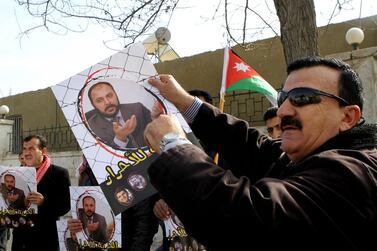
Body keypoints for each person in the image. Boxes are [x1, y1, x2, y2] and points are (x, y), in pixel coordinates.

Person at [144, 57, 377, 250]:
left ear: (348, 117)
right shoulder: (304, 154)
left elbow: (248, 220)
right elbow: (247, 144)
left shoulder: (354, 172)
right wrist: (185, 102)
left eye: (302, 98)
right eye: (283, 98)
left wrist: (173, 144)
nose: (284, 110)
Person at [68, 155, 158, 251]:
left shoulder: (131, 168)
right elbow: (80, 228)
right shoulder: (85, 173)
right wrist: (75, 230)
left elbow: (145, 219)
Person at [12, 134, 71, 250]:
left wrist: (44, 201)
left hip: (45, 239)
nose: (27, 153)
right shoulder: (16, 174)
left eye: (31, 149)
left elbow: (65, 206)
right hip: (20, 239)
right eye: (24, 149)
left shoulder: (59, 173)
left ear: (43, 151)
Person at [85, 81, 154, 149]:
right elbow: (102, 156)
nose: (107, 102)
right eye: (99, 100)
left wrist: (157, 116)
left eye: (109, 96)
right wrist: (120, 138)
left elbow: (156, 130)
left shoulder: (138, 108)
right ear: (93, 105)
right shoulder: (90, 128)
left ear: (116, 95)